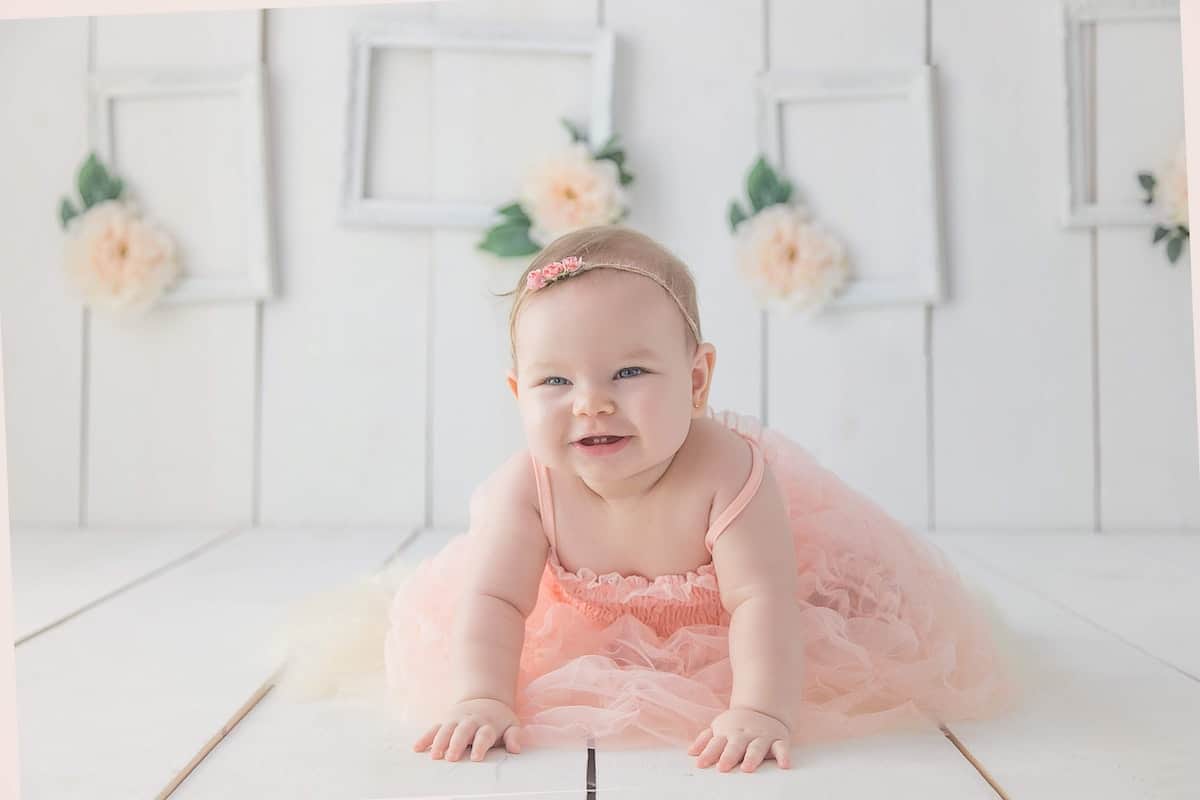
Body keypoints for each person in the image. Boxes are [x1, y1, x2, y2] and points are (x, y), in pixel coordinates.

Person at [386, 225, 1011, 773]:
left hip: (736, 622)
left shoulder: (728, 474)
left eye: (628, 372)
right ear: (518, 393)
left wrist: (761, 710)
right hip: (589, 631)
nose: (590, 402)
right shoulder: (527, 487)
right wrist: (485, 696)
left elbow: (761, 601)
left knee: (855, 613)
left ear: (696, 380)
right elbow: (496, 599)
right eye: (555, 380)